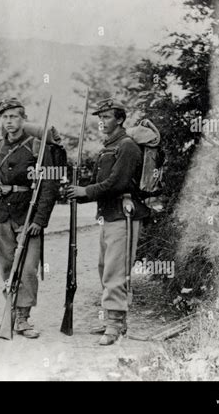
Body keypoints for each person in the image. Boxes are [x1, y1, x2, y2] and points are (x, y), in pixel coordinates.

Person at [67, 97, 149, 346]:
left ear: (120, 119)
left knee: (116, 272)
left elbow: (118, 183)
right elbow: (99, 185)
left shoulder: (127, 146)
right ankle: (115, 322)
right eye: (100, 117)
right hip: (108, 217)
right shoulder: (107, 147)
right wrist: (76, 193)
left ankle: (113, 326)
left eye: (107, 117)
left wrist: (85, 192)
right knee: (105, 269)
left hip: (124, 216)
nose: (102, 122)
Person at [0, 98, 58, 339]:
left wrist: (40, 220)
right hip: (2, 214)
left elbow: (49, 185)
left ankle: (24, 318)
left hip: (28, 215)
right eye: (5, 117)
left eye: (14, 116)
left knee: (27, 270)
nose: (9, 122)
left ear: (23, 119)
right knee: (7, 267)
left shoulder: (37, 146)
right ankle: (11, 312)